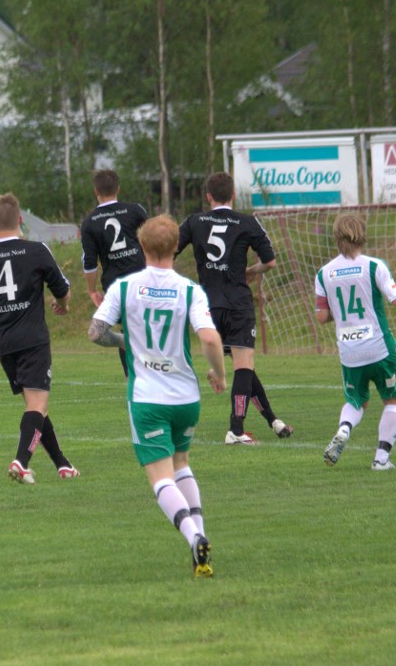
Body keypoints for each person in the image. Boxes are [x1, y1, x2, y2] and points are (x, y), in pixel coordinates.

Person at [89, 215, 226, 577]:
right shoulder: (190, 290)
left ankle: (194, 537)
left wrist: (128, 342)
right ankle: (201, 540)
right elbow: (210, 338)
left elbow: (95, 332)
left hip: (147, 397)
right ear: (176, 247)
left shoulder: (124, 287)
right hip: (186, 397)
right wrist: (219, 373)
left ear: (142, 246)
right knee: (181, 463)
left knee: (161, 476)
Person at [0, 193, 78, 484]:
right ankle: (21, 462)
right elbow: (62, 289)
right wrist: (64, 305)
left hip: (4, 343)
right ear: (20, 220)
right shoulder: (37, 250)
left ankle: (63, 464)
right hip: (33, 339)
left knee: (35, 404)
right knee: (37, 406)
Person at [176, 171, 293, 445]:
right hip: (237, 303)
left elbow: (168, 252)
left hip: (207, 306)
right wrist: (251, 270)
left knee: (245, 368)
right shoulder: (247, 222)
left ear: (208, 196)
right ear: (233, 195)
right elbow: (270, 261)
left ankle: (273, 421)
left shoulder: (194, 222)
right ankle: (236, 430)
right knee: (244, 366)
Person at [315, 213, 396, 471]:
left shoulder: (324, 273)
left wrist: (339, 313)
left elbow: (321, 316)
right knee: (393, 399)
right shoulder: (374, 266)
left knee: (357, 401)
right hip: (379, 348)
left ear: (336, 237)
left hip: (348, 352)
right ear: (362, 234)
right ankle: (381, 459)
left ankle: (344, 428)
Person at [80, 169, 148, 374]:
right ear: (118, 188)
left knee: (127, 330)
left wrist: (91, 290)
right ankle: (151, 374)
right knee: (143, 328)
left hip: (114, 285)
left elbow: (90, 263)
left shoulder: (89, 222)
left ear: (95, 191)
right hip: (143, 279)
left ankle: (132, 378)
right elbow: (154, 241)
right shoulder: (136, 210)